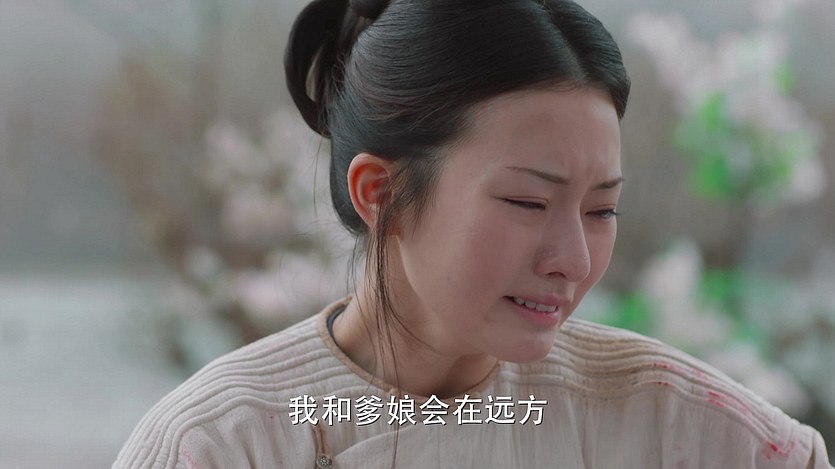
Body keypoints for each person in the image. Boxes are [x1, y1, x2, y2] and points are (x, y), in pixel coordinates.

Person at [113, 0, 833, 467]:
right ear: (380, 193)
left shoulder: (674, 420)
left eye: (600, 210)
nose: (573, 260)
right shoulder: (219, 442)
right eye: (527, 201)